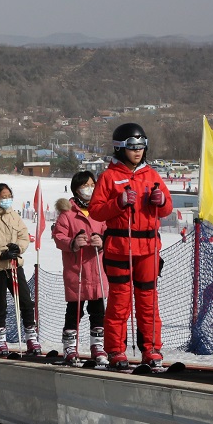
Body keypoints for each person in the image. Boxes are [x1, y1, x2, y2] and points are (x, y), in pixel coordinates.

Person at [89, 123, 173, 369]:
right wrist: (118, 202)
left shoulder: (152, 175)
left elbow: (167, 209)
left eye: (141, 146)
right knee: (120, 301)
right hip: (120, 248)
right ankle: (116, 350)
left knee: (149, 301)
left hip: (148, 249)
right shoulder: (109, 177)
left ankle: (152, 349)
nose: (138, 151)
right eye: (132, 147)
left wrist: (161, 201)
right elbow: (96, 211)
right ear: (120, 148)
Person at [0, 183, 41, 356]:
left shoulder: (13, 214)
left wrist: (17, 247)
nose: (7, 199)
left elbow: (23, 235)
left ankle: (31, 337)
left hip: (13, 265)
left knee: (25, 301)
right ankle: (0, 339)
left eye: (9, 196)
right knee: (0, 304)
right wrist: (0, 254)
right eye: (3, 197)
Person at [52, 171, 108, 365]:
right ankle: (70, 346)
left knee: (98, 311)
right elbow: (58, 236)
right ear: (76, 189)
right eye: (85, 185)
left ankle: (97, 346)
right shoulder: (67, 213)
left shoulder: (99, 210)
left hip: (97, 269)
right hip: (77, 271)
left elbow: (108, 231)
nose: (89, 189)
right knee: (74, 311)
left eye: (92, 185)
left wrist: (102, 240)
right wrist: (73, 243)